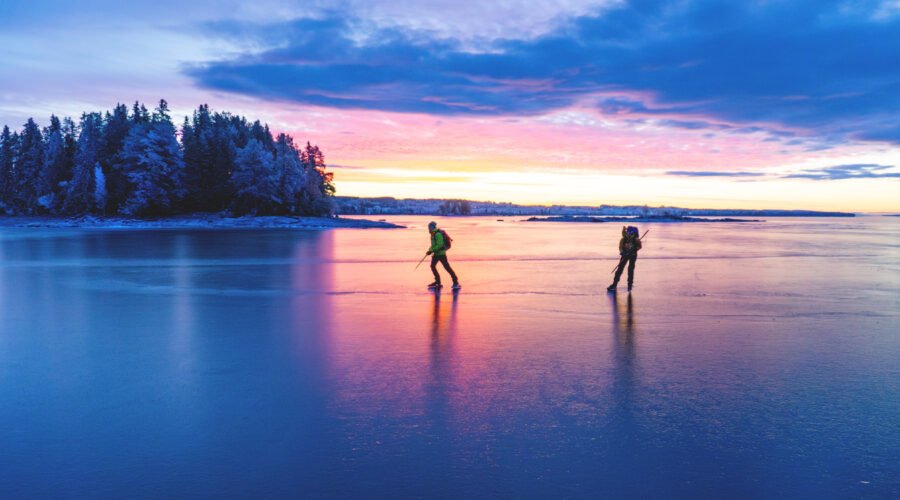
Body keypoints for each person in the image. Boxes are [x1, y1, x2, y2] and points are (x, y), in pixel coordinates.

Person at [426, 221, 460, 290]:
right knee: (432, 266)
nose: (428, 229)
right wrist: (429, 250)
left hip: (441, 254)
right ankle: (438, 282)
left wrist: (431, 250)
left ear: (432, 227)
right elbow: (433, 245)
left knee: (447, 268)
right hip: (436, 254)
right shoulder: (433, 234)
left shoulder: (437, 234)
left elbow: (440, 245)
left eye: (429, 227)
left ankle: (455, 282)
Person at [608, 226, 642, 292]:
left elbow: (639, 246)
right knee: (620, 269)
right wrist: (622, 253)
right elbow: (620, 247)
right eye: (628, 232)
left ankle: (630, 284)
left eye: (630, 232)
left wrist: (634, 250)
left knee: (630, 269)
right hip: (625, 255)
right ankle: (614, 284)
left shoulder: (636, 239)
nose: (629, 233)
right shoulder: (623, 239)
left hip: (633, 255)